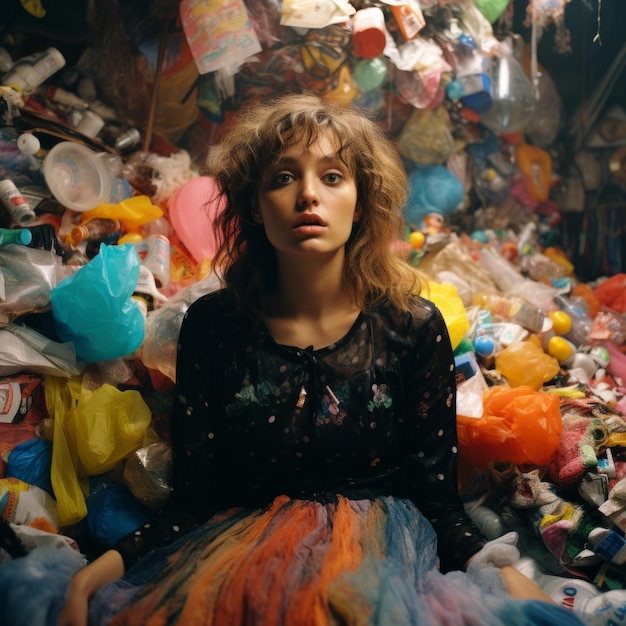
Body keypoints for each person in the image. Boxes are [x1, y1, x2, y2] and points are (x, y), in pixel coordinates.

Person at [59, 93, 583, 626]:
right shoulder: (214, 327)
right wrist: (95, 574)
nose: (308, 194)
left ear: (362, 200)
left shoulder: (412, 327)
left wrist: (495, 569)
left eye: (333, 176)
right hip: (240, 562)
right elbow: (193, 500)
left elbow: (438, 501)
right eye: (283, 177)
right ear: (255, 206)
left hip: (383, 568)